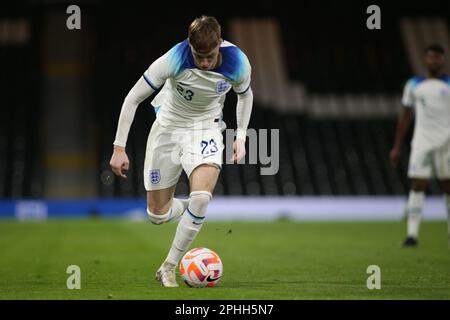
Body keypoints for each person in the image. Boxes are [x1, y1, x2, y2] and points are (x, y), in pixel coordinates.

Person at [109, 16, 253, 286]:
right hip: (168, 128)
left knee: (201, 197)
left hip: (206, 129)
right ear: (190, 45)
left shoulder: (238, 63)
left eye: (209, 56)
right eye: (199, 56)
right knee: (157, 216)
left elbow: (245, 95)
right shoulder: (174, 58)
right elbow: (133, 98)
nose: (205, 63)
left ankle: (168, 266)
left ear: (219, 45)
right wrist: (119, 147)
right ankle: (194, 210)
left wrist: (241, 136)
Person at [390, 44, 450, 247]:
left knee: (447, 186)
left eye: (437, 57)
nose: (434, 61)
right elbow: (405, 116)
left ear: (443, 60)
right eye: (430, 57)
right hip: (422, 141)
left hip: (447, 142)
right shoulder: (414, 84)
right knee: (417, 184)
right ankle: (412, 235)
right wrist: (397, 145)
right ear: (425, 60)